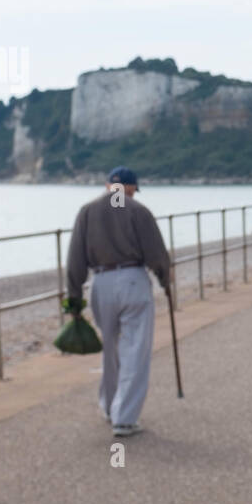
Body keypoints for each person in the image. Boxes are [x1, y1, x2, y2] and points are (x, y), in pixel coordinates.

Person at [65, 166, 172, 437]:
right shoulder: (138, 211)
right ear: (131, 187)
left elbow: (75, 258)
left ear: (107, 185)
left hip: (100, 282)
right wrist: (164, 280)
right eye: (134, 190)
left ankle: (109, 407)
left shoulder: (87, 211)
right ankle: (124, 418)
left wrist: (74, 297)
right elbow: (156, 253)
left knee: (110, 347)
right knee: (135, 348)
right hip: (133, 280)